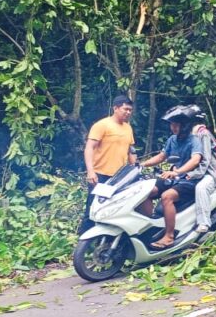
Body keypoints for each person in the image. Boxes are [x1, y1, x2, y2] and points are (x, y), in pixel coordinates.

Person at [139, 105, 207, 249]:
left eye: (176, 124)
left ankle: (169, 236)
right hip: (173, 178)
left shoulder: (194, 140)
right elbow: (162, 156)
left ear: (185, 125)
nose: (173, 127)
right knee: (146, 191)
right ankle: (150, 227)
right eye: (171, 124)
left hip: (188, 180)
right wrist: (143, 164)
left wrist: (177, 172)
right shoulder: (172, 139)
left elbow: (195, 160)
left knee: (167, 196)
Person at [81, 95, 137, 234]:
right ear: (115, 108)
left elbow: (131, 149)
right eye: (125, 109)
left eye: (130, 110)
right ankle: (85, 237)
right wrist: (90, 171)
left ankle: (106, 237)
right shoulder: (102, 125)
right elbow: (89, 148)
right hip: (101, 174)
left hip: (120, 176)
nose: (128, 112)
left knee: (113, 207)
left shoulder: (127, 128)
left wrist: (136, 168)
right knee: (94, 206)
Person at [191, 118, 216, 234]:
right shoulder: (190, 135)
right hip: (196, 173)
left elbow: (206, 159)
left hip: (210, 173)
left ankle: (204, 223)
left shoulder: (203, 134)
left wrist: (194, 174)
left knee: (201, 188)